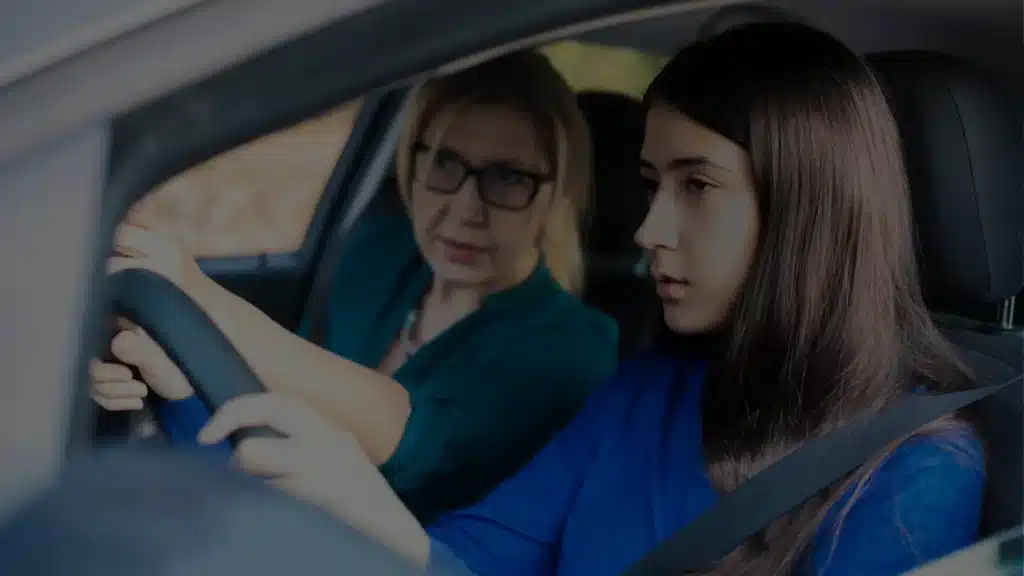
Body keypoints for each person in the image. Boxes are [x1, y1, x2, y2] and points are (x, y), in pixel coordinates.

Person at [182, 22, 988, 576]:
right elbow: (478, 552)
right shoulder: (648, 390)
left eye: (697, 186)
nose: (649, 230)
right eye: (651, 184)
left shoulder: (915, 471)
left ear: (806, 208)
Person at [91, 51, 619, 524]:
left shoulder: (574, 349)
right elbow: (271, 414)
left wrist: (198, 296)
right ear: (411, 163)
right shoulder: (380, 255)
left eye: (508, 178)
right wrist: (165, 378)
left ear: (558, 194)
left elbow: (415, 439)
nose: (465, 210)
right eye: (445, 164)